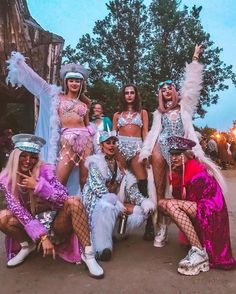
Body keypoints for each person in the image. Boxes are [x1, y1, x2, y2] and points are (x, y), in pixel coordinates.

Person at [139, 44, 214, 247]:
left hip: (181, 150)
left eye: (169, 90)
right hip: (160, 149)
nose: (166, 93)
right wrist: (147, 152)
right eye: (162, 92)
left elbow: (191, 84)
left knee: (182, 190)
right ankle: (161, 228)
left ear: (175, 92)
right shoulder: (158, 114)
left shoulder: (185, 109)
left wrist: (195, 58)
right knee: (160, 189)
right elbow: (154, 133)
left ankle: (189, 228)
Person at [0, 134, 104, 279]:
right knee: (3, 217)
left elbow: (63, 197)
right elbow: (19, 211)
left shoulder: (45, 171)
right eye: (23, 156)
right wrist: (42, 237)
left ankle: (88, 254)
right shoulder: (6, 180)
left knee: (75, 201)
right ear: (15, 156)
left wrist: (38, 186)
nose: (28, 160)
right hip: (31, 231)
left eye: (33, 157)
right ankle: (27, 246)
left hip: (56, 225)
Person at [6, 52, 96, 194]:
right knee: (58, 180)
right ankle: (53, 209)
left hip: (86, 142)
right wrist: (21, 66)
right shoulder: (56, 97)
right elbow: (39, 84)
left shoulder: (85, 103)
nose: (74, 83)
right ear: (66, 82)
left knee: (85, 180)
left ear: (82, 83)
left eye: (77, 81)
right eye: (71, 80)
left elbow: (87, 125)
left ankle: (82, 209)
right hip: (68, 141)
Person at [158, 135, 236, 275]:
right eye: (172, 154)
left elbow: (189, 202)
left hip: (212, 212)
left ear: (188, 155)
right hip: (200, 208)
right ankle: (196, 246)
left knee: (170, 205)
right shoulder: (179, 172)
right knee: (163, 203)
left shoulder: (196, 171)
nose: (174, 158)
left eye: (178, 154)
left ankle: (199, 252)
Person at [82, 130, 155, 261]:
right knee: (107, 206)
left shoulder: (119, 167)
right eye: (108, 143)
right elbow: (99, 190)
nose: (111, 146)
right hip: (95, 204)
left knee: (140, 212)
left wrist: (145, 203)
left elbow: (132, 191)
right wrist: (118, 205)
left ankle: (114, 233)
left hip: (113, 205)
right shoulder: (95, 162)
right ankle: (102, 248)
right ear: (101, 146)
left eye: (114, 143)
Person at [112, 84, 155, 241]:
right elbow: (114, 136)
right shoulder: (117, 115)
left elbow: (145, 134)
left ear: (136, 95)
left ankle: (149, 223)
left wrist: (146, 153)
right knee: (120, 183)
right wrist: (114, 154)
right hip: (120, 148)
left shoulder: (142, 113)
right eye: (126, 93)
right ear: (123, 96)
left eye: (132, 93)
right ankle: (120, 223)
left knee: (143, 183)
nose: (129, 95)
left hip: (137, 148)